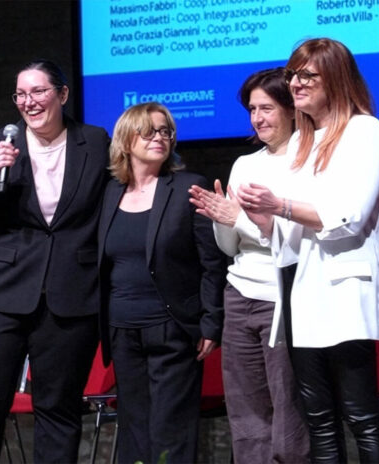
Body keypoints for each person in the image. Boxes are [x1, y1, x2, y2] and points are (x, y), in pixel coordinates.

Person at [236, 38, 379, 463]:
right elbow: (285, 232)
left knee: (361, 416)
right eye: (293, 75)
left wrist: (280, 206)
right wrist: (255, 216)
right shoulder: (301, 142)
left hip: (344, 288)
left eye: (308, 75)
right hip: (300, 289)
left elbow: (349, 216)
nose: (296, 83)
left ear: (336, 79)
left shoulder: (363, 130)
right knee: (319, 419)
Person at [0, 59, 110, 463]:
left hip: (71, 292)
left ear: (62, 94)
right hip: (0, 292)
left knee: (59, 408)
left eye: (39, 91)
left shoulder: (95, 141)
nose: (29, 102)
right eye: (21, 94)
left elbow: (112, 208)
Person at [189, 68, 311, 463]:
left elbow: (292, 240)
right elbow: (232, 246)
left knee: (287, 406)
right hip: (240, 294)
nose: (258, 118)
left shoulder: (308, 160)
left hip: (283, 296)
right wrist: (221, 220)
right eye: (252, 110)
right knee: (245, 410)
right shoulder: (245, 163)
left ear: (291, 109)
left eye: (267, 108)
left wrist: (238, 219)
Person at [97, 102, 226, 464]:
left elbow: (212, 262)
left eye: (166, 131)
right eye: (149, 131)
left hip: (173, 328)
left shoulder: (188, 187)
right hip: (123, 329)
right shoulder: (110, 193)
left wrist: (211, 321)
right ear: (126, 139)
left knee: (172, 431)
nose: (160, 137)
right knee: (133, 430)